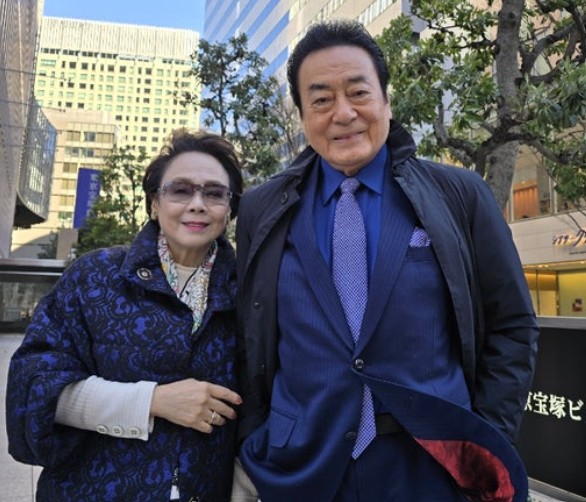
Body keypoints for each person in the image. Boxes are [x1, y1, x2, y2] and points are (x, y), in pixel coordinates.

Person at [235, 19, 539, 502]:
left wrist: (485, 441)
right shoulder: (262, 208)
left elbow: (512, 325)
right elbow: (250, 335)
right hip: (300, 468)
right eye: (321, 100)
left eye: (358, 93)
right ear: (303, 116)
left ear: (386, 102)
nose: (343, 114)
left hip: (434, 469)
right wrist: (257, 442)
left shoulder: (458, 194)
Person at [6, 129, 244, 501]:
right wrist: (151, 401)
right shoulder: (95, 276)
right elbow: (33, 387)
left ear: (229, 209)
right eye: (180, 190)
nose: (198, 204)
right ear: (154, 203)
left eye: (214, 193)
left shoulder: (250, 291)